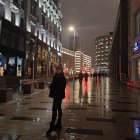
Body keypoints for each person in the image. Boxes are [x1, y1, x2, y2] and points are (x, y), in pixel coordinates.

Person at [46, 64, 66, 135]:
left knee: (54, 110)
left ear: (61, 70)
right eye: (56, 69)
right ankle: (59, 124)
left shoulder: (62, 78)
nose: (57, 70)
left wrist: (51, 86)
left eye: (59, 69)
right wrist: (51, 86)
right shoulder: (56, 77)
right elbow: (54, 85)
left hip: (58, 96)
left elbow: (61, 87)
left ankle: (51, 127)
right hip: (56, 96)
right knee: (58, 109)